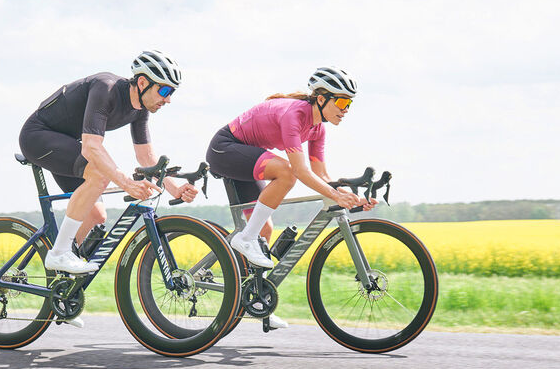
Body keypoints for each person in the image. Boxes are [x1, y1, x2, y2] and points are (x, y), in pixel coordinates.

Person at [205, 67, 374, 328]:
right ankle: (245, 238)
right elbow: (300, 171)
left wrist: (351, 197)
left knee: (265, 227)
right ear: (322, 99)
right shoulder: (294, 114)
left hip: (247, 154)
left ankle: (257, 300)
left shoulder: (318, 129)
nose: (346, 108)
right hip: (224, 148)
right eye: (341, 101)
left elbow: (322, 176)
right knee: (286, 173)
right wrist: (334, 195)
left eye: (349, 103)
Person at [19, 50, 199, 280]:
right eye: (164, 90)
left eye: (172, 92)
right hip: (38, 137)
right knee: (100, 175)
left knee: (96, 216)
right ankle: (59, 253)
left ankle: (62, 285)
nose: (168, 99)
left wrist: (175, 188)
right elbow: (91, 148)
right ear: (142, 82)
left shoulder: (140, 109)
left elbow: (146, 157)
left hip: (67, 144)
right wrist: (125, 183)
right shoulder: (106, 88)